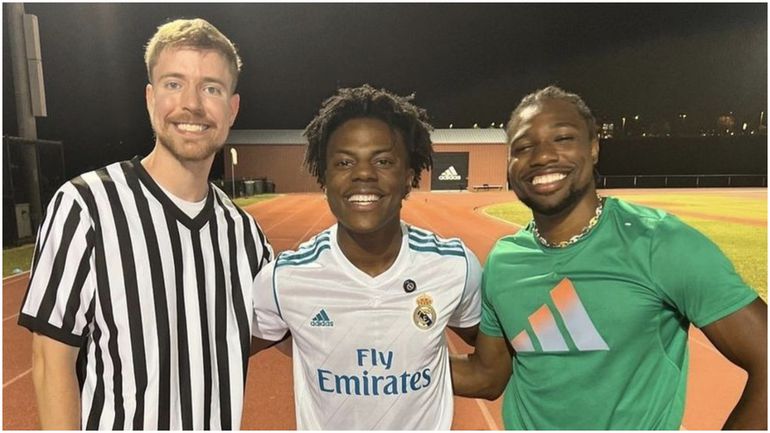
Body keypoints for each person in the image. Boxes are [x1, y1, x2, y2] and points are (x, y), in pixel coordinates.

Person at [451, 85, 767, 430]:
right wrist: (392, 358)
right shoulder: (504, 261)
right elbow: (488, 376)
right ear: (510, 162)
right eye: (524, 147)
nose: (542, 157)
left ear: (594, 147)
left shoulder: (658, 243)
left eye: (563, 139)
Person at [18, 18, 272, 429]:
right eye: (174, 84)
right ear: (151, 99)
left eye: (211, 88)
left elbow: (271, 329)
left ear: (232, 108)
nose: (192, 103)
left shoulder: (244, 234)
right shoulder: (86, 206)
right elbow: (51, 363)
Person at [250, 84, 482, 429]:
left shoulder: (455, 266)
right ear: (324, 177)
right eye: (344, 162)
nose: (363, 174)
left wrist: (421, 364)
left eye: (383, 161)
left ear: (408, 177)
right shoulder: (284, 279)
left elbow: (491, 373)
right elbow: (220, 353)